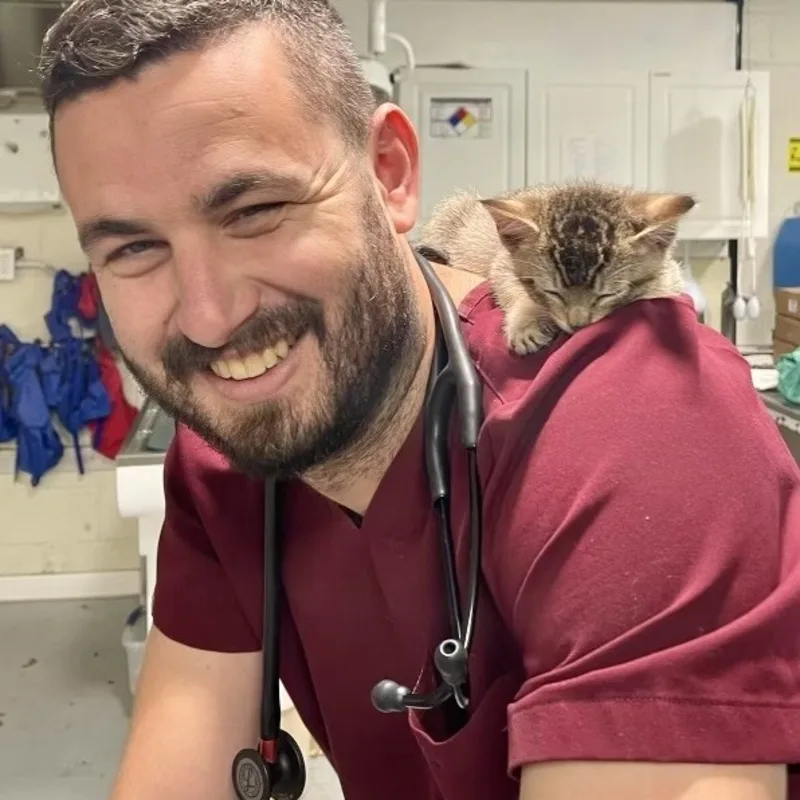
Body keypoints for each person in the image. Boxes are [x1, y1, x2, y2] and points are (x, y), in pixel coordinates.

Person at [39, 1, 800, 798]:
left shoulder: (644, 424)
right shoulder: (230, 457)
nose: (208, 315)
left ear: (391, 174)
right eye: (132, 248)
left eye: (256, 211)